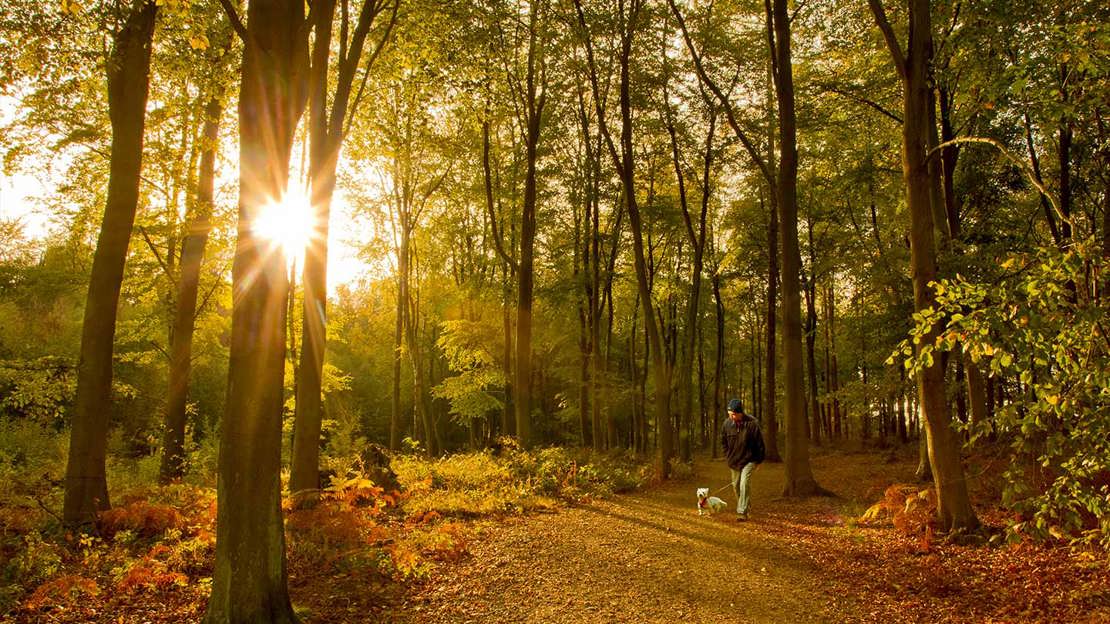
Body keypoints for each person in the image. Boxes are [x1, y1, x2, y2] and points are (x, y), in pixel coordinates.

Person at [721, 398, 765, 521]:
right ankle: (746, 506)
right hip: (734, 461)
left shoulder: (752, 423)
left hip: (749, 460)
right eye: (729, 414)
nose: (731, 417)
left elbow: (760, 444)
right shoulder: (726, 424)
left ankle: (742, 512)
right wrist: (727, 456)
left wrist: (758, 461)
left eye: (733, 414)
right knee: (736, 486)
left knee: (744, 483)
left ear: (740, 412)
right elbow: (723, 442)